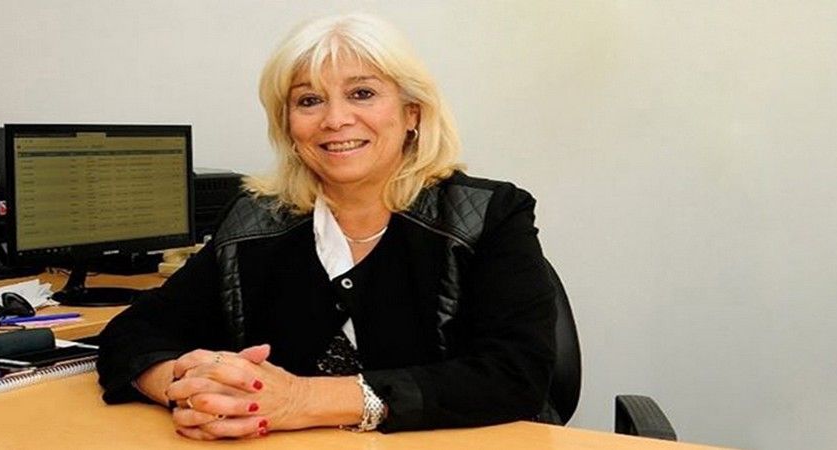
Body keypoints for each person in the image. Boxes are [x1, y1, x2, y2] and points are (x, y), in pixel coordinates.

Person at [97, 12, 558, 440]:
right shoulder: (255, 220)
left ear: (411, 113)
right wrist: (187, 388)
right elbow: (133, 332)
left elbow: (516, 374)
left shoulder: (490, 213)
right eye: (309, 101)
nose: (335, 120)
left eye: (362, 94)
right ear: (289, 126)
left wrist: (303, 400)